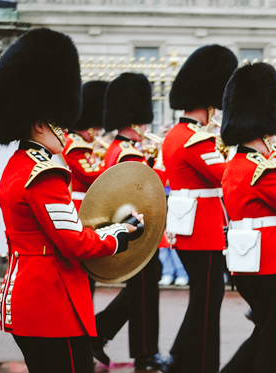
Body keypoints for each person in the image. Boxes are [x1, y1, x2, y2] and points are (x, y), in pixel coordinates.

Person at [0, 28, 142, 373]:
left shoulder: (17, 165)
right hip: (52, 304)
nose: (67, 130)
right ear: (41, 123)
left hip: (25, 297)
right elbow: (72, 242)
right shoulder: (45, 174)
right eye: (61, 123)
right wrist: (117, 236)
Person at [219, 62, 276, 373]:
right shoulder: (264, 168)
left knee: (264, 332)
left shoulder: (235, 164)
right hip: (273, 261)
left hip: (245, 260)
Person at [160, 45, 237, 373]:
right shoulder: (196, 140)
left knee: (204, 298)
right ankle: (203, 362)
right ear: (209, 105)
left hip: (191, 227)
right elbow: (226, 176)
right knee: (208, 301)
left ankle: (179, 356)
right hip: (203, 231)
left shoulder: (177, 135)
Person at [93, 72, 164, 370]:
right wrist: (159, 168)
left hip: (130, 230)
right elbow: (144, 194)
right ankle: (146, 354)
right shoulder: (130, 154)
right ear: (135, 122)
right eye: (143, 121)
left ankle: (98, 332)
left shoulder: (116, 149)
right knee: (145, 292)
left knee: (142, 288)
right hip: (138, 231)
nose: (146, 127)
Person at [62, 81, 108, 212]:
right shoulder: (75, 145)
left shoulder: (74, 142)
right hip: (79, 205)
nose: (98, 132)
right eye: (97, 127)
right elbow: (93, 175)